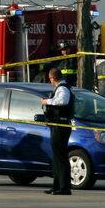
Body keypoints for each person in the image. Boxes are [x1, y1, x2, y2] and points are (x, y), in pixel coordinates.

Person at [41, 67, 75, 195]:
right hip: (57, 125)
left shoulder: (63, 88)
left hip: (61, 125)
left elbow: (63, 101)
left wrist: (46, 101)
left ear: (53, 78)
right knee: (57, 157)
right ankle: (57, 186)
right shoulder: (62, 88)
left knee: (60, 157)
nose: (50, 81)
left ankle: (64, 187)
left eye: (49, 78)